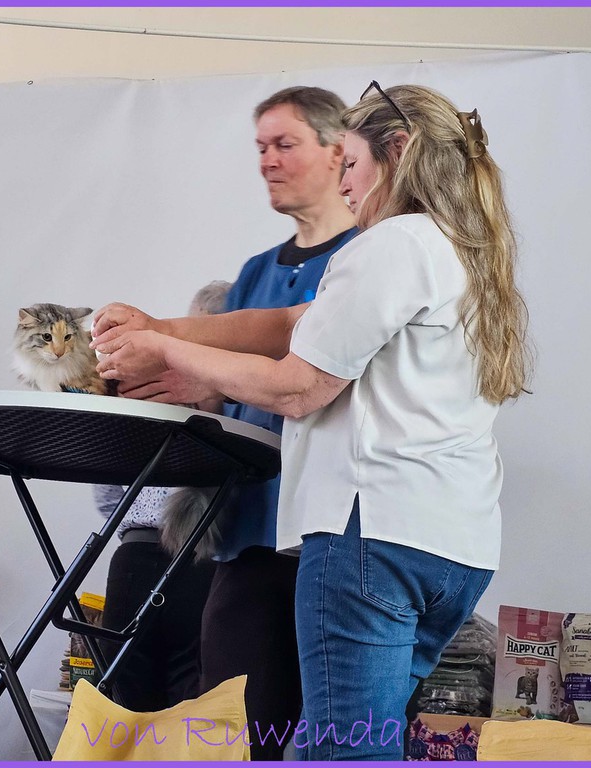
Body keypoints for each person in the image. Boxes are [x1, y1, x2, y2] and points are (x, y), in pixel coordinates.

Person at [91, 81, 531, 760]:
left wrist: (165, 349)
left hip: (370, 537)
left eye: (350, 163)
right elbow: (295, 321)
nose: (344, 183)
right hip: (454, 547)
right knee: (345, 743)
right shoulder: (463, 251)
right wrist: (167, 327)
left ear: (399, 151)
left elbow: (298, 388)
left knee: (341, 752)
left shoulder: (393, 243)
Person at [99, 87, 356, 760]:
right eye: (261, 147)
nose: (268, 161)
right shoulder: (254, 273)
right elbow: (225, 393)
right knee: (230, 734)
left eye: (285, 144)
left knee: (333, 737)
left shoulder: (367, 261)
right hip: (247, 538)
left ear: (338, 151)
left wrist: (184, 355)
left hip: (332, 538)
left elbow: (307, 378)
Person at [93, 280, 231, 713]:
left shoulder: (155, 391)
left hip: (159, 554)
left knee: (129, 695)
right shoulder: (244, 402)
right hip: (195, 559)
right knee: (186, 694)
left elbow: (108, 485)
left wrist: (131, 527)